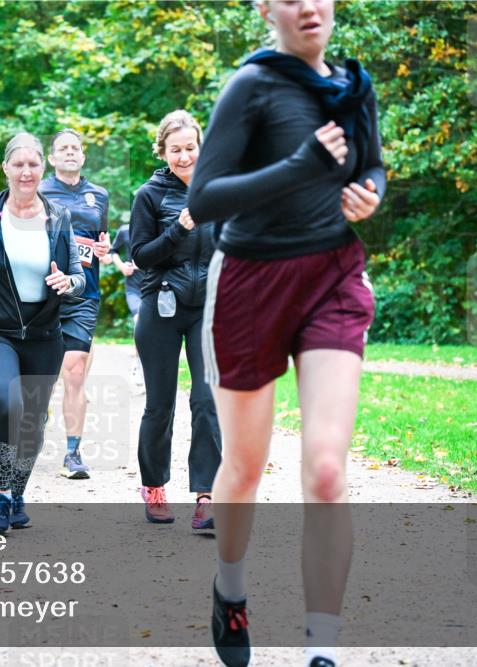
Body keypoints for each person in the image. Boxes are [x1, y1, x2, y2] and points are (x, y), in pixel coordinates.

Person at [188, 1, 386, 665]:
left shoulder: (353, 88)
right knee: (243, 469)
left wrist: (369, 192)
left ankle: (321, 647)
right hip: (252, 280)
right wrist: (300, 166)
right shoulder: (252, 86)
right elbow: (204, 198)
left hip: (332, 271)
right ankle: (230, 588)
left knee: (327, 470)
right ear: (266, 9)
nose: (309, 7)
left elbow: (374, 165)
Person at [0, 132, 86, 533]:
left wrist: (67, 283)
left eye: (33, 164)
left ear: (42, 169)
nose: (26, 171)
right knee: (9, 405)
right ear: (6, 169)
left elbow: (78, 277)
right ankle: (0, 493)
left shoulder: (59, 217)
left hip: (44, 335)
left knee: (33, 421)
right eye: (19, 164)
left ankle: (18, 491)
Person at [129, 110, 223, 529]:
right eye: (175, 150)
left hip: (208, 310)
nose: (184, 157)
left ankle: (206, 497)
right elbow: (140, 256)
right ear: (163, 151)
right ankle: (154, 487)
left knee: (207, 402)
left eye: (190, 148)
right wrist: (179, 229)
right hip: (161, 308)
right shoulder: (149, 195)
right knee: (160, 405)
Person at [39, 129, 112, 479]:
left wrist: (103, 250)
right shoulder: (37, 191)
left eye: (76, 148)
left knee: (75, 370)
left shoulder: (99, 195)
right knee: (44, 375)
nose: (70, 152)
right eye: (62, 149)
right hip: (42, 294)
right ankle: (39, 416)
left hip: (84, 293)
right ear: (52, 159)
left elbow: (103, 242)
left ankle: (72, 454)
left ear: (83, 157)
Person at [107, 223, 145, 387]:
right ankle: (137, 365)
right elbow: (113, 251)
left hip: (154, 286)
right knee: (139, 320)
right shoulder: (125, 230)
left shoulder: (156, 227)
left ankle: (146, 366)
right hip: (133, 287)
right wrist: (122, 266)